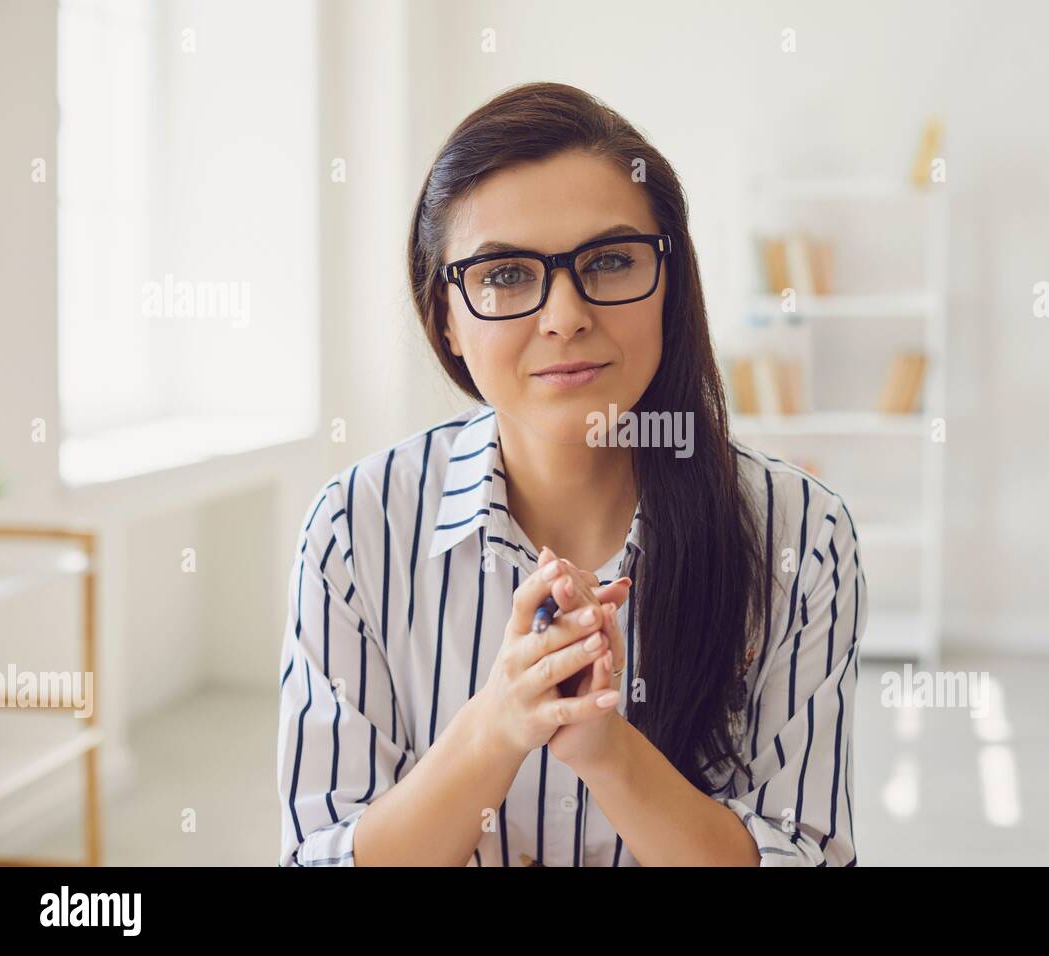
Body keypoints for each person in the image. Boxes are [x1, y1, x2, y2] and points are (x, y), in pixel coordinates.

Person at [277, 81, 866, 866]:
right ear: (445, 317)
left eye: (612, 261)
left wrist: (607, 752)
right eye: (506, 275)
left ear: (671, 284)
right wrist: (497, 726)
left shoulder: (802, 535)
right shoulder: (355, 528)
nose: (564, 316)